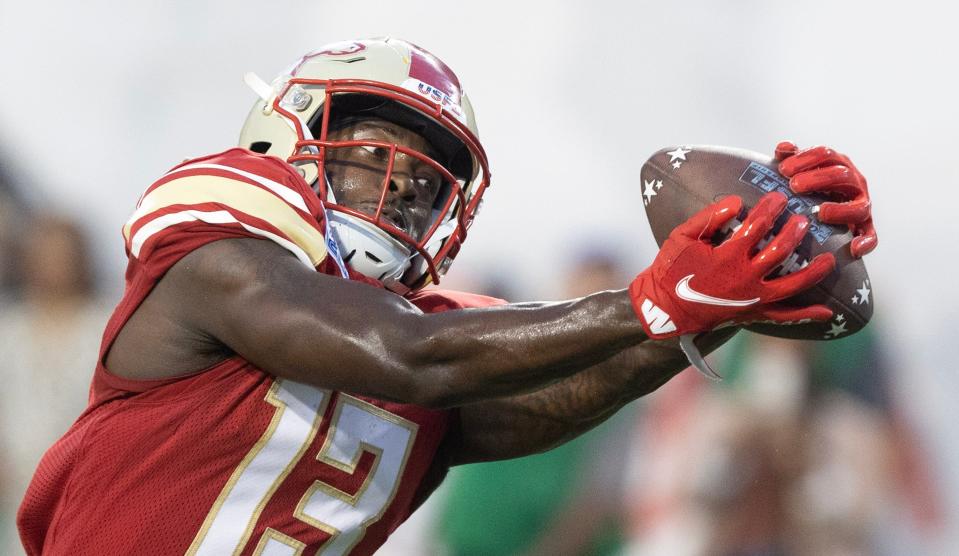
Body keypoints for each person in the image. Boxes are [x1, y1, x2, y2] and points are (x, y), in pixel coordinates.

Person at [16, 37, 877, 555]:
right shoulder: (218, 251)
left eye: (426, 183)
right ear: (292, 134)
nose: (398, 191)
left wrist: (738, 289)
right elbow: (411, 357)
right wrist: (653, 301)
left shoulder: (421, 335)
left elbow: (542, 396)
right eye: (372, 154)